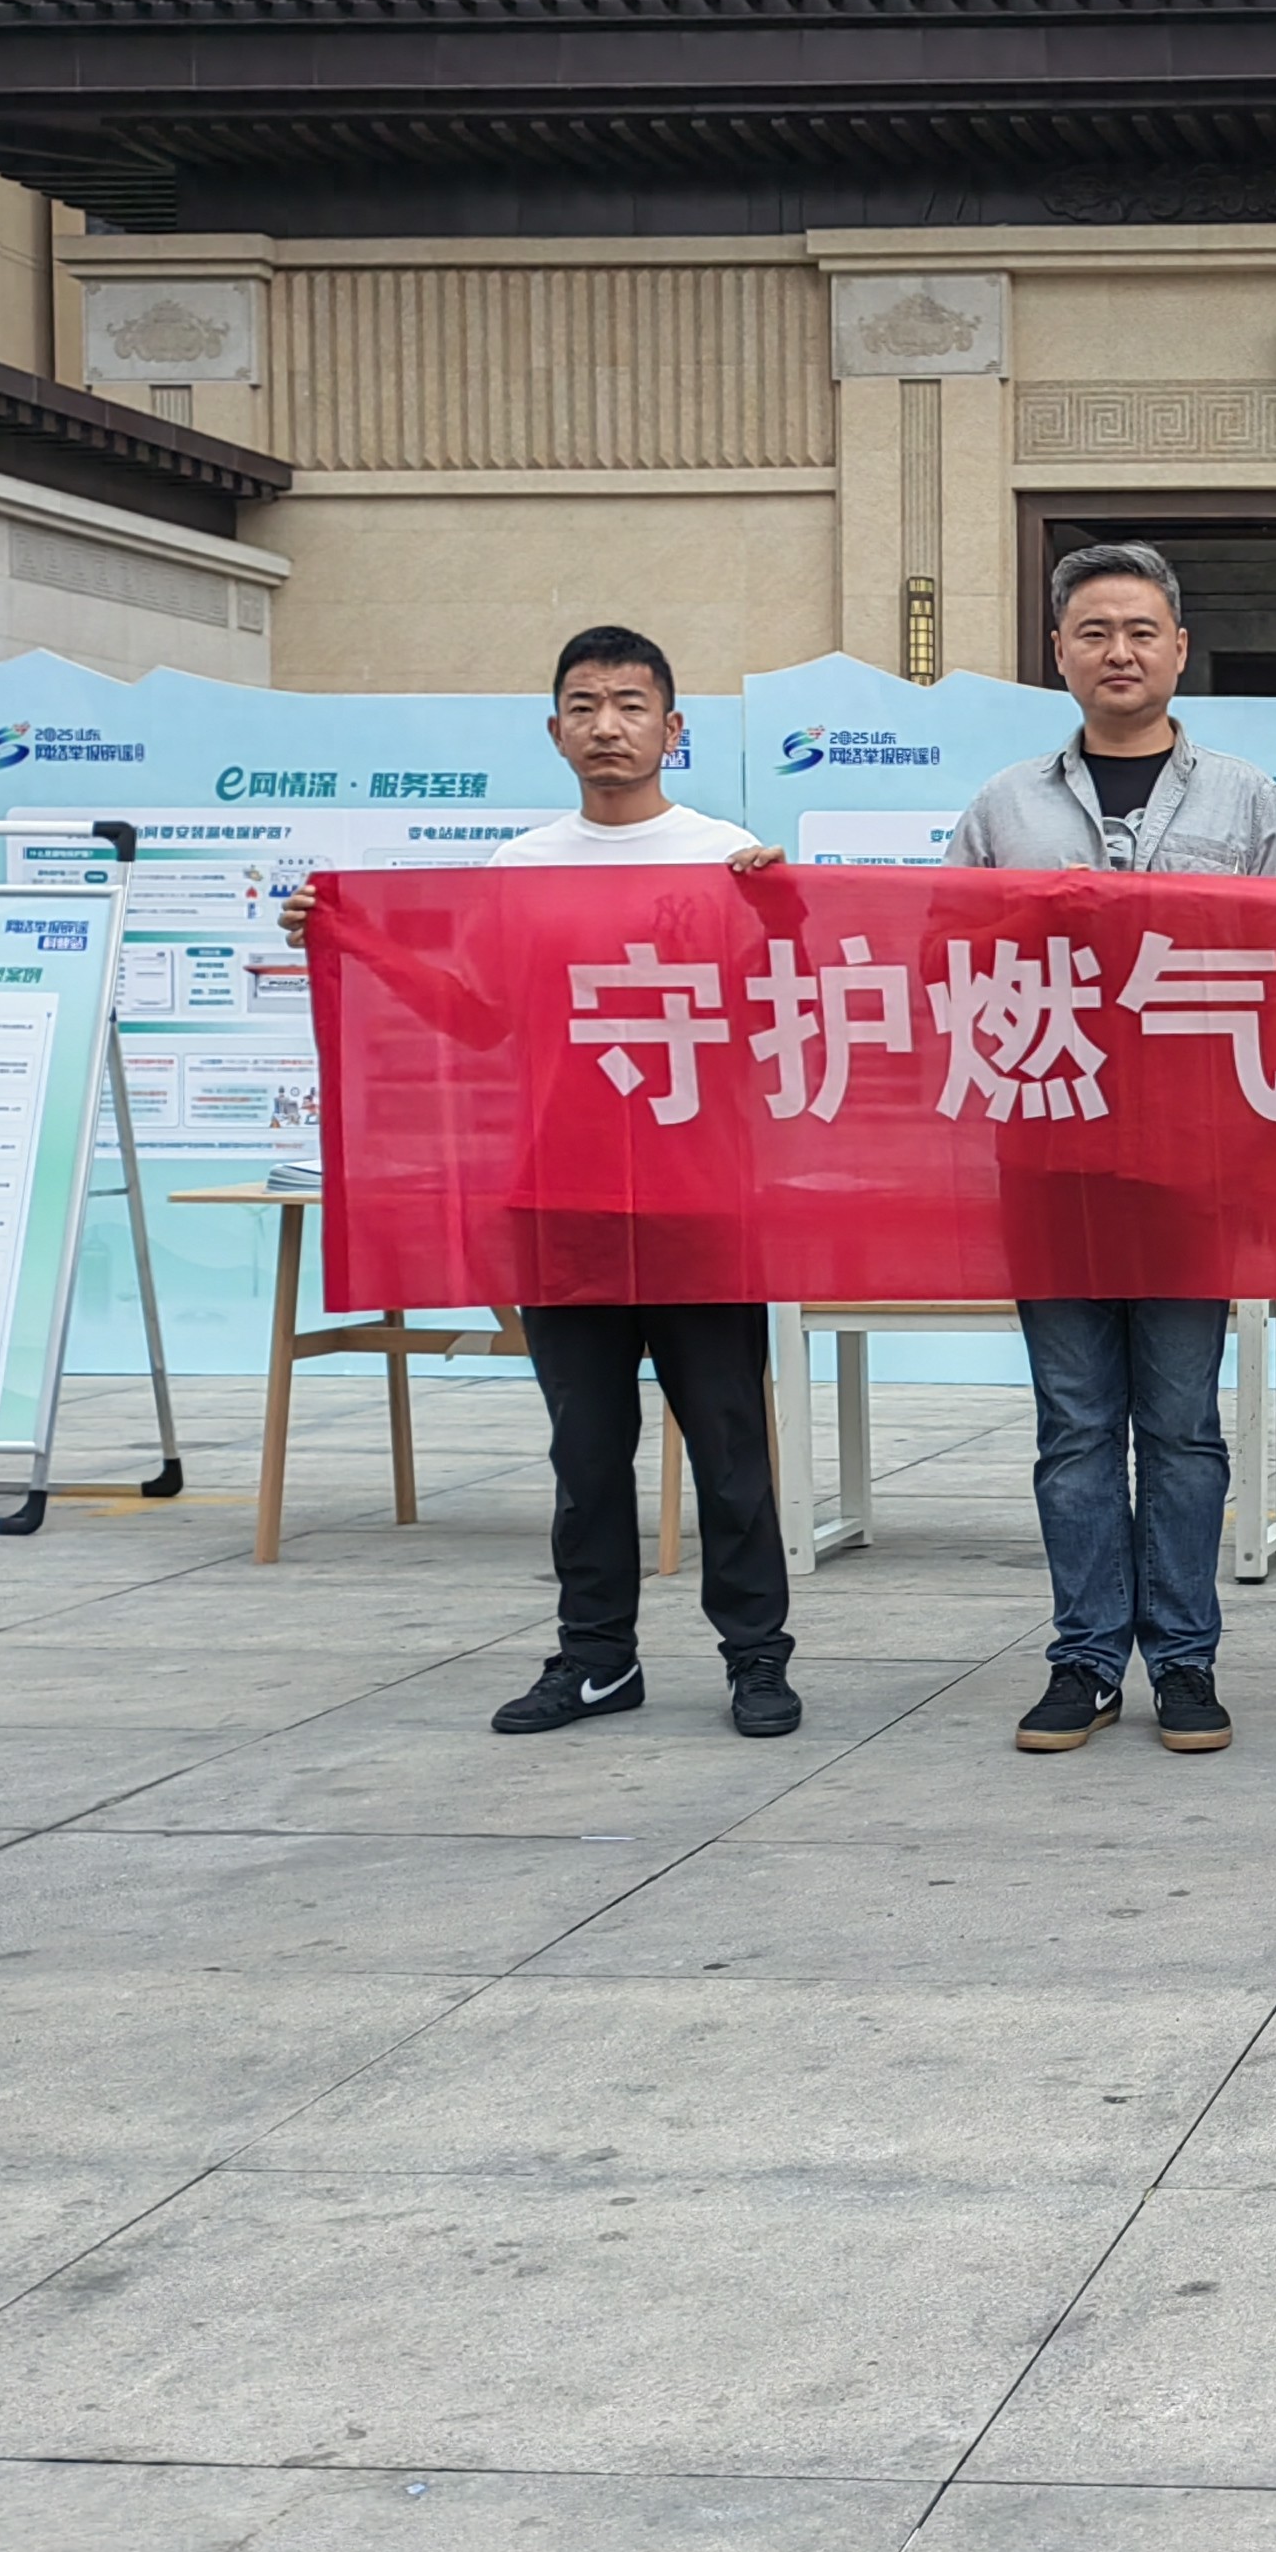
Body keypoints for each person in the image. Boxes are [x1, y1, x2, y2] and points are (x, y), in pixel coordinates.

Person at [284, 625, 799, 1743]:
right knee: (585, 1449)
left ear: (673, 728)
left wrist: (786, 911)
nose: (607, 726)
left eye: (630, 705)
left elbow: (782, 1004)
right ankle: (598, 1659)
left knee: (729, 1448)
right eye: (584, 706)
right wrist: (354, 941)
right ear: (554, 729)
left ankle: (756, 1658)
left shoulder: (728, 856)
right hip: (560, 1194)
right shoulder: (521, 866)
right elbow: (477, 1017)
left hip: (699, 1195)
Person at [946, 539, 1276, 1760]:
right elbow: (944, 960)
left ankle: (1187, 1661)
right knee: (1074, 1427)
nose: (1119, 651)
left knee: (1184, 1426)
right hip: (1049, 1159)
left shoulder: (1245, 802)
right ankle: (1086, 1661)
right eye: (1094, 631)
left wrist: (1273, 1152)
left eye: (1141, 630)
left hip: (1193, 1164)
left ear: (1179, 650)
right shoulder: (1003, 806)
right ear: (1057, 651)